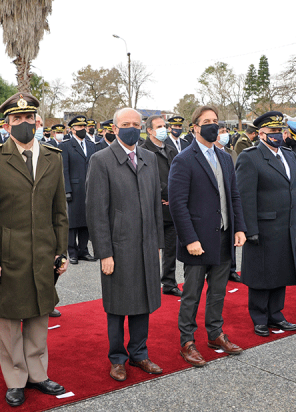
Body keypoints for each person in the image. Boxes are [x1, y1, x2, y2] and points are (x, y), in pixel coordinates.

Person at [0, 92, 69, 407]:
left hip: (43, 254)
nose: (25, 124)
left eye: (30, 119)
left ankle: (38, 374)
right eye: (18, 119)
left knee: (40, 315)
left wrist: (62, 251)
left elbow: (59, 212)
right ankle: (15, 379)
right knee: (12, 321)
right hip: (8, 255)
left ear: (37, 122)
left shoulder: (53, 157)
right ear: (7, 124)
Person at [86, 107, 164, 382]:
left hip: (146, 244)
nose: (132, 127)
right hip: (118, 247)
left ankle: (139, 353)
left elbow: (156, 204)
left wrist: (157, 243)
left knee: (143, 300)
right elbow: (96, 211)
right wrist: (104, 252)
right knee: (118, 305)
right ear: (115, 128)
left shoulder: (149, 158)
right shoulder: (101, 160)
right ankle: (117, 359)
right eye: (126, 124)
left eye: (136, 123)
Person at [168, 105, 247, 367]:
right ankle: (187, 341)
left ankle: (215, 334)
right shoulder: (184, 159)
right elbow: (177, 204)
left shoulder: (225, 157)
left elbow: (234, 195)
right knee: (192, 293)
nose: (214, 125)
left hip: (224, 236)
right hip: (197, 242)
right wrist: (189, 239)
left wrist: (239, 227)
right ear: (195, 127)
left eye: (216, 120)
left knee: (218, 292)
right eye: (207, 121)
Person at [236, 111, 296, 336]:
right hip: (263, 227)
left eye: (279, 131)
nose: (278, 135)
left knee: (282, 270)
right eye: (273, 132)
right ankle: (259, 317)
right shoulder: (250, 157)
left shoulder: (289, 155)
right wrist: (249, 229)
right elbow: (245, 196)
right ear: (261, 134)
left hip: (286, 224)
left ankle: (276, 314)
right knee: (262, 273)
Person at [142, 115, 181, 296]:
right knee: (151, 250)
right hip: (153, 207)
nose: (164, 129)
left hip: (170, 208)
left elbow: (179, 176)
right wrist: (165, 194)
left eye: (164, 126)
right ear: (149, 130)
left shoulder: (171, 150)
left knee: (170, 249)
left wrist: (174, 197)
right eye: (159, 126)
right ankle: (149, 286)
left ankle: (169, 283)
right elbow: (147, 179)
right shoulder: (143, 151)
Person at [59, 115, 97, 265]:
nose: (83, 129)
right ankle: (72, 252)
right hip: (74, 189)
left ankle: (83, 251)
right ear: (72, 129)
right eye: (79, 127)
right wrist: (67, 190)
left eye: (84, 127)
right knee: (72, 223)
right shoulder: (66, 145)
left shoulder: (91, 144)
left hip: (89, 188)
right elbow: (64, 169)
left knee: (86, 221)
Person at [215, 122, 241, 283]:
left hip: (231, 199)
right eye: (222, 131)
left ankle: (232, 269)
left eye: (226, 131)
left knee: (231, 238)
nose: (226, 134)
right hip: (216, 202)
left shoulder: (231, 153)